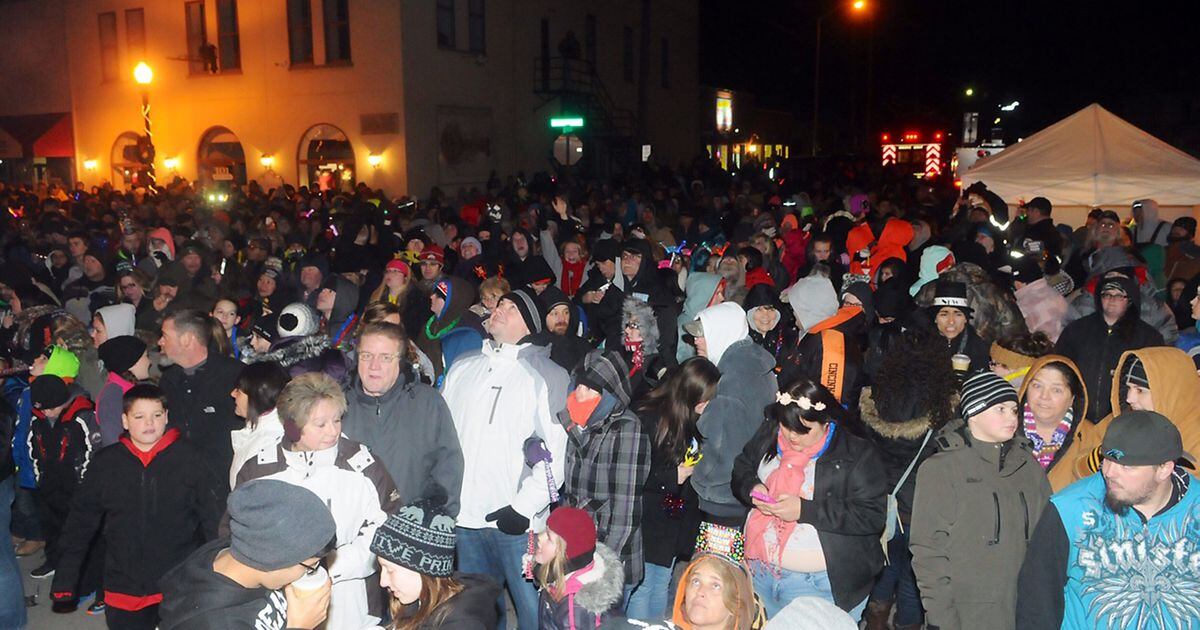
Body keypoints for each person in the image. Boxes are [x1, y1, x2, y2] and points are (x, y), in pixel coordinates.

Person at [442, 289, 569, 630]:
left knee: (533, 611)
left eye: (511, 308)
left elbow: (556, 450)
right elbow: (443, 437)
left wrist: (524, 507)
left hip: (517, 524)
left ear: (528, 323)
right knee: (476, 613)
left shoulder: (547, 375)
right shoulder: (463, 366)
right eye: (500, 304)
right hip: (466, 517)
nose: (499, 310)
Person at [235, 372, 399, 629]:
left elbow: (389, 523)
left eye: (336, 420)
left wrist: (336, 564)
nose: (333, 431)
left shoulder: (362, 463)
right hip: (285, 601)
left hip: (355, 603)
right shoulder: (259, 472)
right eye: (320, 424)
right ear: (292, 426)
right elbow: (239, 538)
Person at [48, 384, 220, 628]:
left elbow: (211, 517)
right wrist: (66, 577)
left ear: (167, 417)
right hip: (124, 584)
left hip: (179, 581)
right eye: (139, 416)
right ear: (125, 421)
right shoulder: (107, 463)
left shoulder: (190, 457)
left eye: (157, 415)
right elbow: (80, 521)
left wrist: (218, 571)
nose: (149, 423)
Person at [1016, 411, 1198, 629]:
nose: (1109, 472)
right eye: (1107, 459)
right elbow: (1036, 602)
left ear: (1164, 468)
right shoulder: (1070, 509)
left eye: (1126, 466)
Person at [732, 377, 886, 618]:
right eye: (786, 426)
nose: (792, 436)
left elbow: (871, 515)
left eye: (804, 430)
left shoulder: (857, 454)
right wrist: (753, 488)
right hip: (759, 573)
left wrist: (805, 511)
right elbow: (742, 466)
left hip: (819, 585)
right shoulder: (771, 432)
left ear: (826, 422)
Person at [910, 372, 1051, 630]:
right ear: (974, 413)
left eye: (1014, 410)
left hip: (1023, 610)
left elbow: (1047, 542)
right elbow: (928, 552)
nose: (1011, 417)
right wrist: (942, 620)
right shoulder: (942, 469)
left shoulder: (1029, 467)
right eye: (1000, 409)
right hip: (966, 614)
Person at [859, 334, 959, 630]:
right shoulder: (942, 405)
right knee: (914, 577)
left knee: (886, 564)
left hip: (883, 502)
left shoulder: (876, 399)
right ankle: (907, 624)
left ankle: (875, 619)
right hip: (921, 507)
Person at [158, 479, 337, 629]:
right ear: (273, 559)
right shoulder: (213, 622)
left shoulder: (243, 546)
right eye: (309, 567)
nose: (308, 573)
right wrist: (300, 626)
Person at [625, 357, 720, 619]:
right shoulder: (648, 416)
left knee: (661, 583)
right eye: (707, 399)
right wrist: (672, 476)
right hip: (648, 515)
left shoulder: (692, 417)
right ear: (692, 394)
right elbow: (630, 472)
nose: (710, 405)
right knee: (644, 587)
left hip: (674, 518)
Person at [342, 321, 464, 514]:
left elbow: (448, 466)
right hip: (351, 529)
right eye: (367, 356)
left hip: (409, 527)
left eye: (385, 357)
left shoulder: (427, 403)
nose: (374, 366)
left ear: (400, 360)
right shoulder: (338, 405)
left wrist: (442, 518)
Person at [1047, 347, 1200, 492]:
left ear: (1171, 394)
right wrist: (1106, 454)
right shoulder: (1121, 420)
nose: (1129, 398)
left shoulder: (1194, 437)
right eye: (1129, 388)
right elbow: (1078, 468)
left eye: (1140, 390)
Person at [559, 350, 651, 590]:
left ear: (608, 395)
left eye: (589, 390)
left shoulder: (626, 430)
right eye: (578, 385)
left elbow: (625, 510)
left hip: (608, 557)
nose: (579, 394)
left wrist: (603, 567)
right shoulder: (576, 422)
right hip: (576, 551)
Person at [686, 302, 778, 530]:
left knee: (719, 562)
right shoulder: (751, 363)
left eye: (702, 334)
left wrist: (697, 474)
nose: (696, 340)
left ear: (721, 332)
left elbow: (723, 443)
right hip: (748, 483)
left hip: (725, 495)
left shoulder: (733, 378)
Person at [158, 309, 244, 515]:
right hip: (180, 488)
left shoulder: (234, 376)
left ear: (187, 339)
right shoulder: (168, 380)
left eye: (165, 336)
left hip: (223, 490)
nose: (160, 342)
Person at [371, 501, 501, 630]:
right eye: (382, 568)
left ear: (426, 569)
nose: (383, 582)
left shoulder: (463, 624)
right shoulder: (416, 599)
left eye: (391, 570)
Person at [1055, 275, 1164, 420]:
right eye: (1107, 295)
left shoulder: (1148, 337)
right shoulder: (1077, 330)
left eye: (1119, 296)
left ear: (1130, 300)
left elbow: (1155, 380)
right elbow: (1059, 367)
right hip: (1078, 414)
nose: (1112, 300)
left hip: (1125, 415)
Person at [27, 373, 100, 582]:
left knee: (78, 531)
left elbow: (93, 451)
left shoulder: (81, 416)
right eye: (42, 408)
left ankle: (81, 572)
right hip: (50, 483)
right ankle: (54, 561)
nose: (48, 413)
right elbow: (33, 446)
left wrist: (84, 483)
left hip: (77, 485)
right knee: (52, 526)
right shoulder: (38, 418)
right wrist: (39, 475)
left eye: (51, 407)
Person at [533, 507, 625, 630]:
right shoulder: (560, 575)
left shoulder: (575, 610)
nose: (540, 537)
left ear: (566, 554)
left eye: (549, 537)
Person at [1016, 356, 1087, 473]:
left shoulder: (1091, 438)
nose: (1044, 396)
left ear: (1072, 399)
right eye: (1037, 386)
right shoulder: (1002, 430)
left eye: (1056, 390)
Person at [228, 361, 291, 489]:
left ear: (256, 396)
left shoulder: (269, 445)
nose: (233, 394)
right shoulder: (260, 433)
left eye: (239, 391)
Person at [414, 276, 484, 384]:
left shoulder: (468, 328)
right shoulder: (430, 324)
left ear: (454, 300)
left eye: (439, 295)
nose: (432, 297)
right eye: (434, 292)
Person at [95, 335, 151, 446]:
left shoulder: (130, 389)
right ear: (132, 363)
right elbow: (112, 443)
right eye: (146, 356)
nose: (149, 362)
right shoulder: (113, 396)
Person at [925, 280, 990, 374]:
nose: (951, 321)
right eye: (944, 314)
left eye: (958, 314)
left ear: (966, 319)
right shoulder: (920, 342)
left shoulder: (978, 346)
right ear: (935, 319)